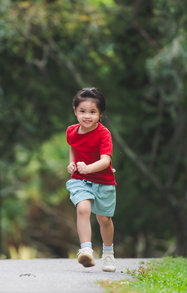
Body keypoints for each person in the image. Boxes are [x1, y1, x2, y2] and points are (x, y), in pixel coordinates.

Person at [66, 87, 117, 272]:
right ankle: (86, 249)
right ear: (75, 111)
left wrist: (88, 168)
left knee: (104, 219)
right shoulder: (71, 131)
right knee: (83, 207)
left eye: (93, 112)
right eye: (82, 111)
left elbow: (106, 161)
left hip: (103, 180)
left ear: (100, 113)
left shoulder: (104, 134)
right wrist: (71, 164)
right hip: (80, 179)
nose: (87, 116)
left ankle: (109, 254)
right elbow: (73, 146)